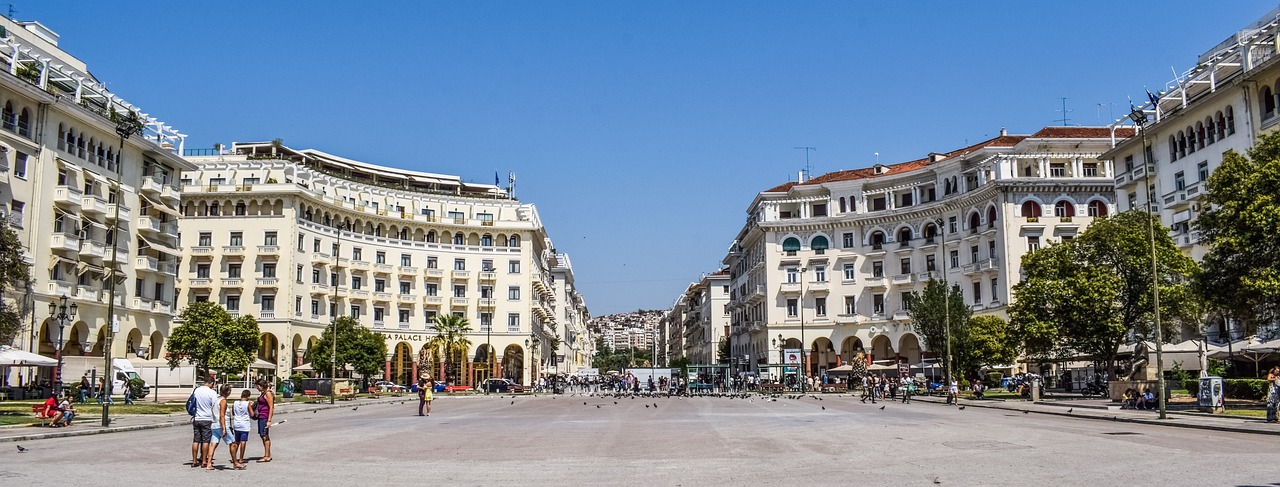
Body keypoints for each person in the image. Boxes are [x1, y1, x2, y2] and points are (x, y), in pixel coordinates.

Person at [191, 374, 219, 470]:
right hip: (207, 418)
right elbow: (215, 405)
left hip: (197, 417)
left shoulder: (196, 390)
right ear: (211, 383)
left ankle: (194, 461)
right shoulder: (212, 393)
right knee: (206, 440)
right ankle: (203, 460)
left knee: (196, 440)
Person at [209, 384, 232, 469]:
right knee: (232, 443)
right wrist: (224, 428)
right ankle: (235, 462)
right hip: (221, 424)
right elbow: (222, 415)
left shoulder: (216, 400)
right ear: (228, 392)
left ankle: (209, 463)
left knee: (213, 444)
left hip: (214, 424)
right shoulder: (223, 401)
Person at [231, 389, 252, 470]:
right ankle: (241, 458)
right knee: (243, 441)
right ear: (248, 396)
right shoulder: (247, 403)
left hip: (236, 423)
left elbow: (233, 412)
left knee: (236, 441)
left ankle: (234, 457)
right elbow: (252, 413)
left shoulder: (235, 403)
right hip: (244, 424)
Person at [255, 379, 274, 463]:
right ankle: (267, 454)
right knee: (262, 435)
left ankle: (267, 456)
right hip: (261, 416)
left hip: (265, 416)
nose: (257, 388)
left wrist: (269, 420)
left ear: (261, 386)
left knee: (265, 435)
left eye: (257, 386)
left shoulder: (268, 393)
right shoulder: (263, 393)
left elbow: (271, 407)